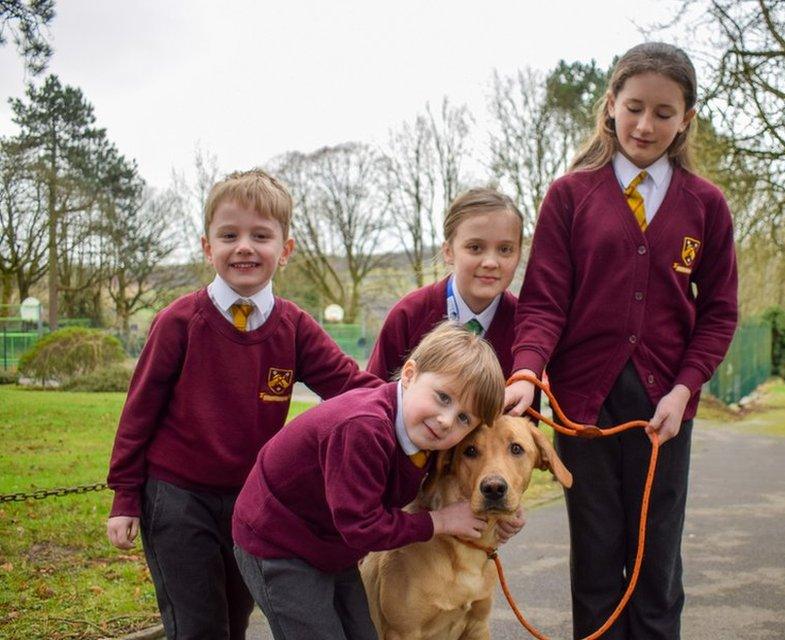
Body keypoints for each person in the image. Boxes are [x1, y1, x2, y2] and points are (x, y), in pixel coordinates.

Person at [504, 42, 738, 640]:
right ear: (610, 106)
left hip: (665, 410)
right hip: (583, 410)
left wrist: (685, 392)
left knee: (656, 565)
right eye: (634, 106)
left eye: (664, 112)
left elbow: (718, 314)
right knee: (598, 564)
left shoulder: (706, 206)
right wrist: (528, 372)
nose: (646, 124)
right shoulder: (569, 196)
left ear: (687, 119)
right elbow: (544, 302)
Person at [105, 169, 380, 640]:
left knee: (235, 622)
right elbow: (139, 411)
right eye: (229, 235)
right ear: (208, 247)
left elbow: (351, 386)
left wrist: (416, 402)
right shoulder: (179, 321)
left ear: (285, 250)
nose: (244, 247)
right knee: (197, 626)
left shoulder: (295, 327)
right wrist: (125, 496)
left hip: (251, 503)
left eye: (261, 235)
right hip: (177, 497)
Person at [232, 322, 504, 639]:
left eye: (463, 418)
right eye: (443, 397)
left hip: (331, 542)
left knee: (364, 633)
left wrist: (501, 513)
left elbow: (459, 478)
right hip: (278, 541)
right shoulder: (364, 429)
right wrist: (438, 522)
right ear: (410, 374)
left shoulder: (427, 435)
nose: (446, 421)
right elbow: (362, 527)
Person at [367, 187, 524, 381]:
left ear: (519, 254)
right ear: (448, 252)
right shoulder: (409, 315)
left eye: (505, 249)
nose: (491, 262)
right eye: (475, 248)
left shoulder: (525, 325)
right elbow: (372, 395)